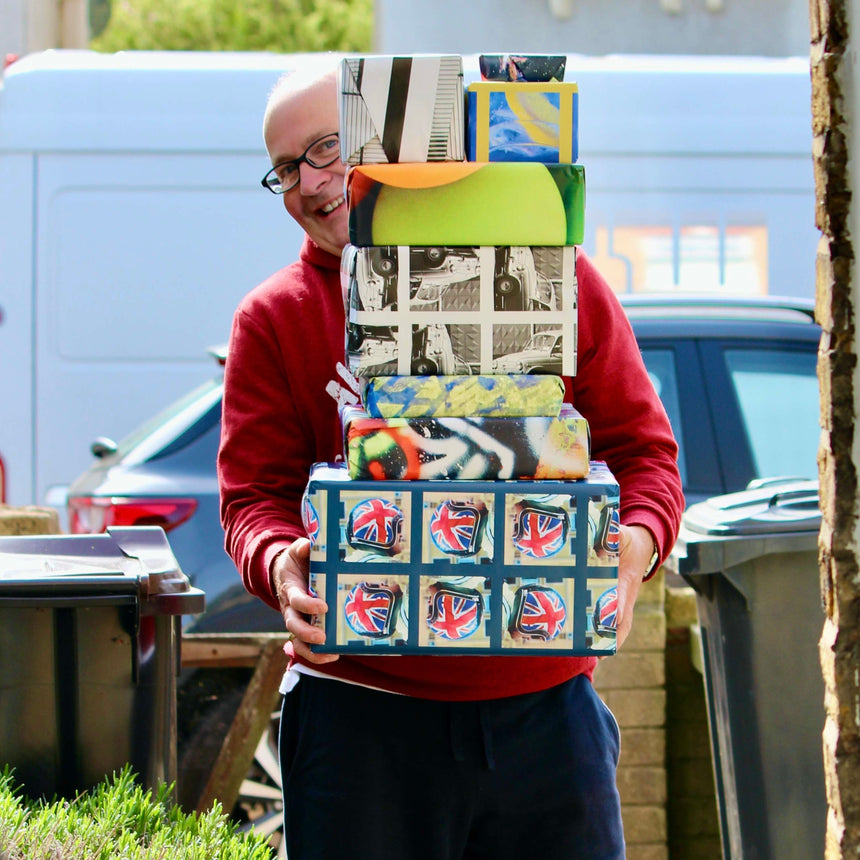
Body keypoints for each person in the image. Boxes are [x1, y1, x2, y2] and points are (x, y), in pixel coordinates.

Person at [218, 59, 684, 860]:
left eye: (329, 147)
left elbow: (646, 458)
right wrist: (279, 567)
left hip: (545, 713)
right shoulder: (273, 317)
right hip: (358, 721)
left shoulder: (550, 279)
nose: (310, 181)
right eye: (287, 167)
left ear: (391, 143)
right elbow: (251, 500)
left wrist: (631, 555)